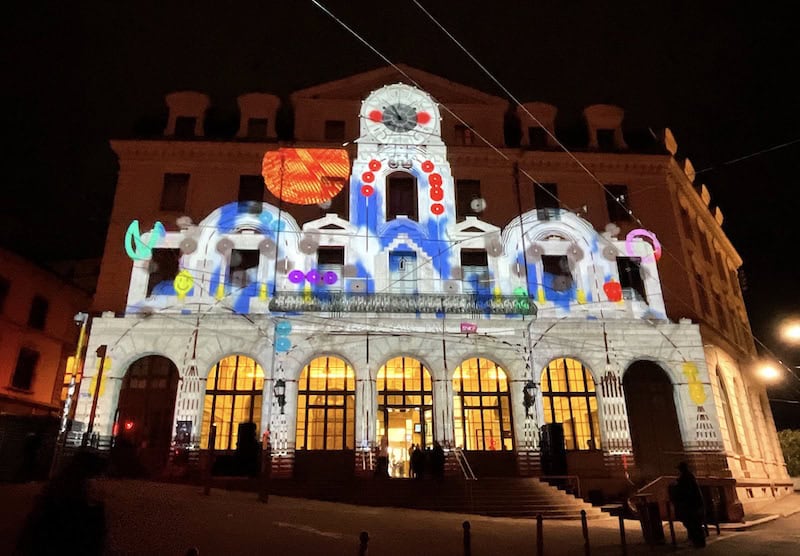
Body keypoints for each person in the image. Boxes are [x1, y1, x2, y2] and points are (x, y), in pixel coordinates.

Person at [670, 461, 706, 548]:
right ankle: (698, 541)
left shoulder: (685, 478)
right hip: (694, 504)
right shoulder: (689, 477)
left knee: (693, 524)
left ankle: (698, 542)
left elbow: (684, 492)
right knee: (694, 524)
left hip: (690, 505)